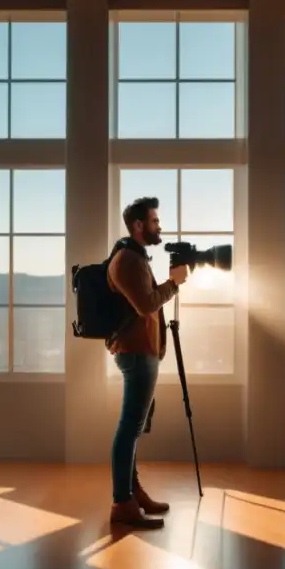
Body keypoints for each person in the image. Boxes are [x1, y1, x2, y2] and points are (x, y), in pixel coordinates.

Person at [105, 196, 189, 529]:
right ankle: (121, 502)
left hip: (143, 352)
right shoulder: (126, 259)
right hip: (137, 354)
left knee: (135, 429)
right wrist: (174, 284)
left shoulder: (134, 257)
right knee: (128, 429)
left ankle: (131, 491)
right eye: (154, 221)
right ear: (138, 225)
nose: (159, 226)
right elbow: (146, 304)